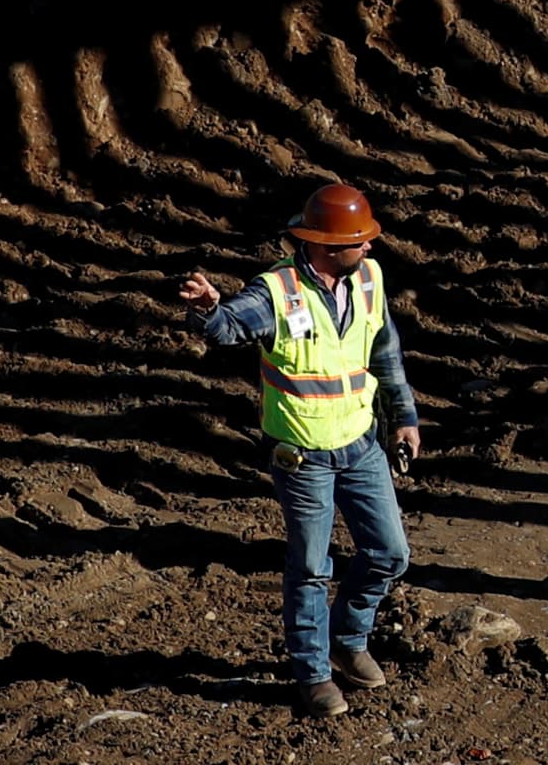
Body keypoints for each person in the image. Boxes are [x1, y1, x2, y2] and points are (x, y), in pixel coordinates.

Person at [174, 182, 425, 717]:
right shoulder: (277, 291)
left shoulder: (370, 280)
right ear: (327, 247)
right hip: (304, 457)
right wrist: (209, 310)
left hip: (361, 445)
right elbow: (230, 327)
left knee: (389, 554)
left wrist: (403, 417)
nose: (371, 249)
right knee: (311, 567)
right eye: (360, 242)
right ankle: (312, 673)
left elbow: (386, 353)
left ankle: (348, 641)